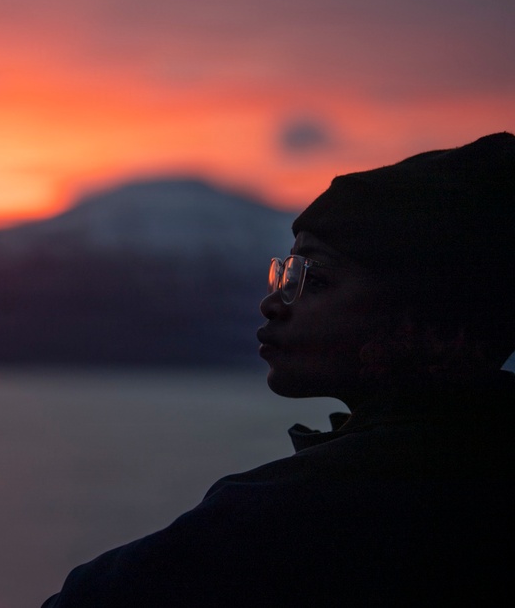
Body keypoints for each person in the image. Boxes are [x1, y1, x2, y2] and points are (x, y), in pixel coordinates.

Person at [41, 132, 515, 607]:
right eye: (288, 273)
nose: (273, 304)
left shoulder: (300, 513)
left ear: (430, 316)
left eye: (317, 280)